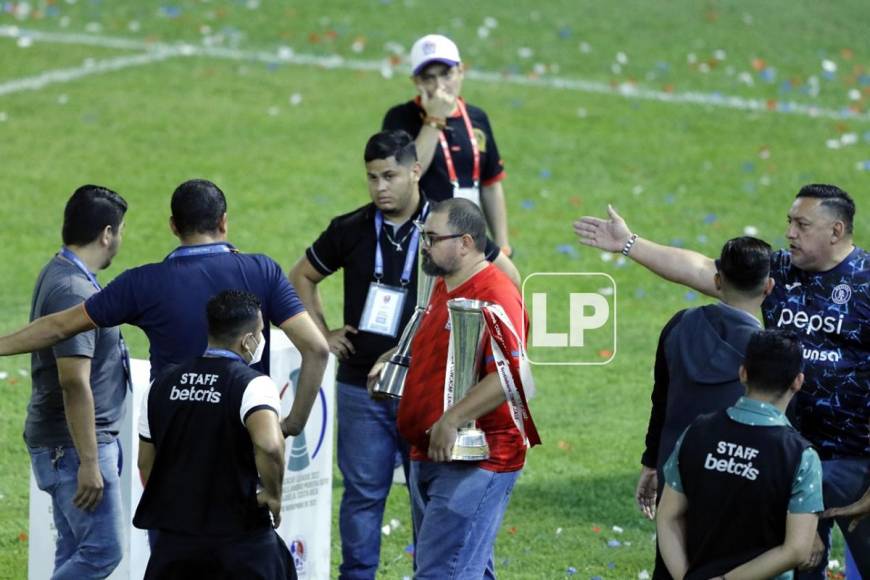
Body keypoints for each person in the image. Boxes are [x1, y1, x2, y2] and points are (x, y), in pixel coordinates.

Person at [575, 184, 869, 576]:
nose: (789, 233)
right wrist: (630, 243)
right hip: (785, 459)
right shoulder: (781, 270)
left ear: (836, 231)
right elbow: (702, 269)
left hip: (853, 460)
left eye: (802, 224)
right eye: (789, 222)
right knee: (798, 565)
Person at [288, 130, 517, 579]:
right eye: (372, 177)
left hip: (429, 385)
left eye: (389, 175)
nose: (379, 187)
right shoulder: (351, 228)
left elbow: (505, 275)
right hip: (361, 385)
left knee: (436, 498)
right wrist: (324, 333)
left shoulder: (446, 227)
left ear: (415, 170)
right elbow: (301, 276)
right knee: (363, 494)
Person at [0, 179, 329, 438]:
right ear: (224, 222)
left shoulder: (143, 283)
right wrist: (292, 424)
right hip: (243, 439)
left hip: (172, 442)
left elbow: (60, 327)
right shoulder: (263, 271)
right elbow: (316, 348)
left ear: (173, 226)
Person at [390, 198, 539, 578]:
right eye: (424, 236)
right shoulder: (443, 284)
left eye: (433, 237)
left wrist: (451, 420)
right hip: (434, 453)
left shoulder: (494, 293)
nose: (424, 245)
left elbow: (514, 375)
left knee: (443, 572)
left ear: (467, 242)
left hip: (478, 458)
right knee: (460, 566)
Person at [637, 236, 773, 579]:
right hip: (738, 483)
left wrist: (652, 461)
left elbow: (662, 400)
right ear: (769, 287)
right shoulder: (768, 354)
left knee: (670, 564)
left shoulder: (679, 325)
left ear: (717, 280)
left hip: (675, 474)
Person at [135, 290, 293, 579]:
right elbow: (270, 446)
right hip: (240, 541)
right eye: (261, 333)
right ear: (248, 341)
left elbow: (145, 463)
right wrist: (273, 494)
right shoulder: (253, 385)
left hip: (175, 543)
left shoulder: (161, 383)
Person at [657, 330, 823, 580]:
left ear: (743, 372)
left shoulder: (698, 430)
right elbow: (798, 550)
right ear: (798, 381)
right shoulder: (801, 456)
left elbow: (667, 517)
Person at [25, 185, 128, 579]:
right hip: (74, 447)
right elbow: (73, 381)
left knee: (73, 549)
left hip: (65, 443)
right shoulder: (73, 290)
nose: (119, 238)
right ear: (106, 234)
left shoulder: (62, 272)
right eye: (119, 230)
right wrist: (88, 461)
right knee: (102, 552)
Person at [382, 34, 513, 255]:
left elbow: (490, 184)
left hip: (469, 240)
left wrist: (503, 246)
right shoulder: (400, 118)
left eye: (446, 74)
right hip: (418, 240)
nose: (440, 85)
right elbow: (407, 178)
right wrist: (433, 120)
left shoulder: (477, 118)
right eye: (428, 78)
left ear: (461, 71)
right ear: (416, 82)